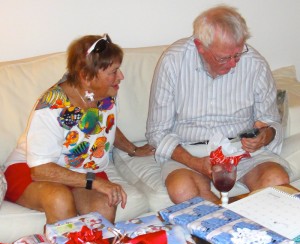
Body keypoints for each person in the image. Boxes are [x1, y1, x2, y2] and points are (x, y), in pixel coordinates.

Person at [146, 5, 291, 204]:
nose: (233, 64)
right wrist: (195, 163)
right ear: (200, 47)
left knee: (277, 180)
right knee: (182, 190)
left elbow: (271, 121)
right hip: (189, 152)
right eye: (224, 58)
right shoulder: (173, 61)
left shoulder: (255, 63)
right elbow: (157, 132)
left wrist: (265, 135)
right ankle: (226, 227)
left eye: (238, 54)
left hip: (240, 150)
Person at [4, 34, 154, 224]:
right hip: (32, 168)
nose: (121, 77)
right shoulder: (52, 106)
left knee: (106, 203)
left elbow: (106, 127)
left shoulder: (105, 93)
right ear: (86, 76)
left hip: (83, 168)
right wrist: (95, 181)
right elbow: (40, 169)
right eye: (113, 72)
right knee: (59, 199)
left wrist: (134, 149)